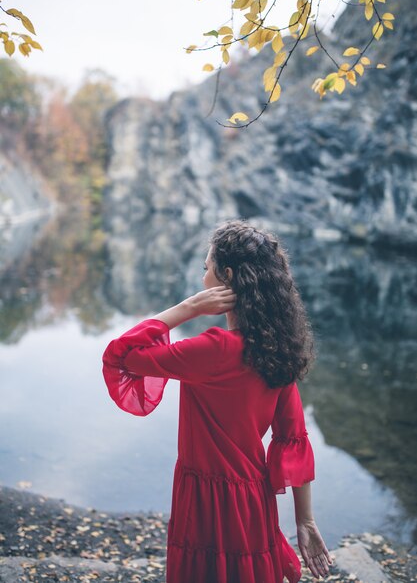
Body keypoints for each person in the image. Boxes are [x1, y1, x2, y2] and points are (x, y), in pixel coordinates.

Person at [102, 219, 333, 583]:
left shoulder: (213, 351)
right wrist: (305, 521)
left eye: (206, 269)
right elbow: (293, 439)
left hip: (206, 499)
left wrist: (188, 308)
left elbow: (121, 355)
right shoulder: (276, 350)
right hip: (253, 500)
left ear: (225, 275)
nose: (202, 279)